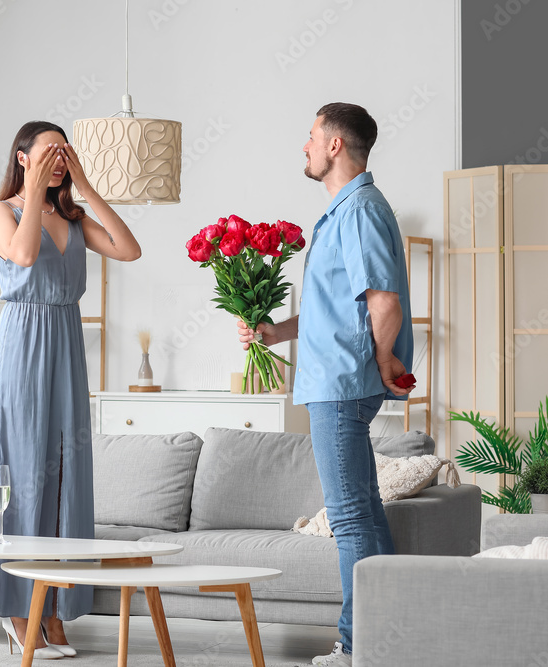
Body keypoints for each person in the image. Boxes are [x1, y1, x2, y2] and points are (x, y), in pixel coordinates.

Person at [238, 103, 414, 667]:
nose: (305, 145)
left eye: (312, 135)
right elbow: (329, 310)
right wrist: (274, 332)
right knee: (363, 509)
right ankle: (389, 636)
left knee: (349, 516)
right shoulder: (348, 209)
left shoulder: (358, 209)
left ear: (335, 145)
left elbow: (382, 298)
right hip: (334, 380)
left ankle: (359, 646)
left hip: (339, 385)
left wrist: (383, 359)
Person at [0, 120, 141, 659]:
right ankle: (18, 610)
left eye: (63, 153)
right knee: (23, 472)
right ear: (22, 157)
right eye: (47, 152)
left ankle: (54, 608)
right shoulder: (0, 211)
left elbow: (129, 248)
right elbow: (23, 256)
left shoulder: (72, 215)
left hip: (66, 344)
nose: (57, 160)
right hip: (23, 344)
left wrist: (86, 187)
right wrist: (32, 193)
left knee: (68, 475)